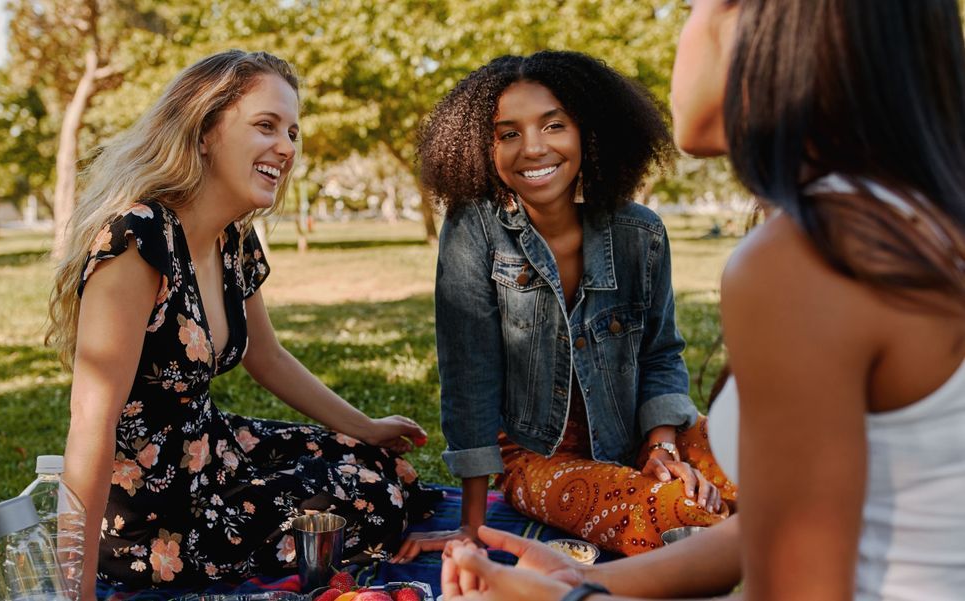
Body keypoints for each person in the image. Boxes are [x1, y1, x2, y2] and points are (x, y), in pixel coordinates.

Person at [440, 0, 965, 599]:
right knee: (677, 500)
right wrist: (583, 577)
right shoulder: (912, 220)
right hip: (544, 457)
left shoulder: (806, 256)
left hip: (640, 446)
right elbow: (775, 528)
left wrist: (573, 598)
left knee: (688, 493)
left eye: (694, 6)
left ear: (762, 27)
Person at [46, 50, 443, 597]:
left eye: (293, 132)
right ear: (205, 131)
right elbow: (91, 419)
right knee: (366, 497)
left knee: (376, 465)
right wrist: (75, 590)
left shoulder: (234, 238)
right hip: (151, 517)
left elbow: (267, 356)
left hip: (214, 452)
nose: (287, 147)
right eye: (266, 125)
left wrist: (367, 426)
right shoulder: (138, 240)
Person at [395, 50, 736, 563]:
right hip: (537, 457)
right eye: (508, 134)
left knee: (775, 461)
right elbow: (469, 379)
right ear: (481, 148)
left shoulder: (640, 233)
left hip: (641, 435)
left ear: (588, 132)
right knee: (672, 510)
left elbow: (661, 354)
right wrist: (471, 527)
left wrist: (663, 449)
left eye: (553, 125)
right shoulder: (474, 230)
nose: (532, 148)